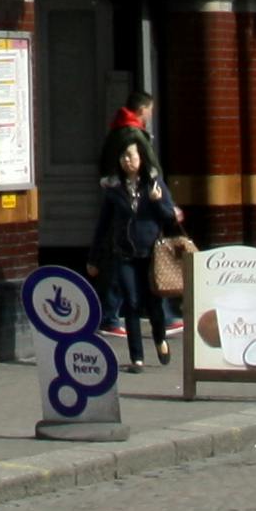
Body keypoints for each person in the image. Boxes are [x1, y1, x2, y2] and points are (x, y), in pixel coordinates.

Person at [90, 104, 179, 362]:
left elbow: (170, 218)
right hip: (125, 253)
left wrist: (158, 201)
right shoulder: (115, 189)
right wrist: (94, 259)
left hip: (151, 253)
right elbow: (103, 225)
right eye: (123, 157)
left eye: (131, 156)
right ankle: (136, 357)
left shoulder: (154, 184)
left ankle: (160, 338)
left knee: (153, 304)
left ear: (141, 158)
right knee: (131, 303)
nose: (127, 160)